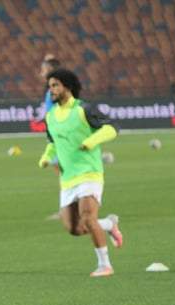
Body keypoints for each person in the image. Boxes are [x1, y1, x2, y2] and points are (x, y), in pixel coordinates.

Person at [38, 68, 122, 277]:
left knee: (88, 218)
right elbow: (53, 142)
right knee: (74, 228)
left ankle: (105, 265)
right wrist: (46, 156)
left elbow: (112, 127)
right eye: (49, 86)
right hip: (67, 179)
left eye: (55, 85)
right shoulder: (50, 116)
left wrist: (91, 141)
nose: (51, 90)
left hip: (89, 174)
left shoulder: (84, 109)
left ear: (67, 86)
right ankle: (109, 224)